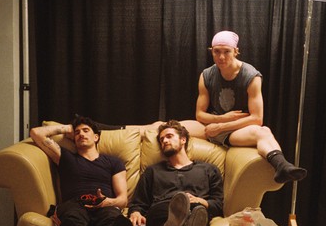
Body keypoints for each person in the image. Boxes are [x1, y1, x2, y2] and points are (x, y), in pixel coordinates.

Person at [100, 30, 306, 185]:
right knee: (163, 126)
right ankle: (109, 129)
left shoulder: (251, 76)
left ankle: (282, 166)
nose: (221, 57)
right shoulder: (207, 75)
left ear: (236, 51)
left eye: (226, 52)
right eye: (217, 52)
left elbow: (256, 118)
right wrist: (221, 120)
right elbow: (199, 114)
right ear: (211, 51)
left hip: (238, 129)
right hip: (210, 125)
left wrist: (222, 126)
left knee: (263, 131)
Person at [30, 116, 133, 226]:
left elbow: (123, 200)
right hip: (75, 204)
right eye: (77, 132)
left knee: (111, 218)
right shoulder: (65, 157)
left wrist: (108, 202)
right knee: (73, 219)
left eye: (86, 130)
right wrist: (67, 128)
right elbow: (36, 133)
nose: (81, 134)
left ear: (96, 137)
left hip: (103, 205)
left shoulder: (114, 162)